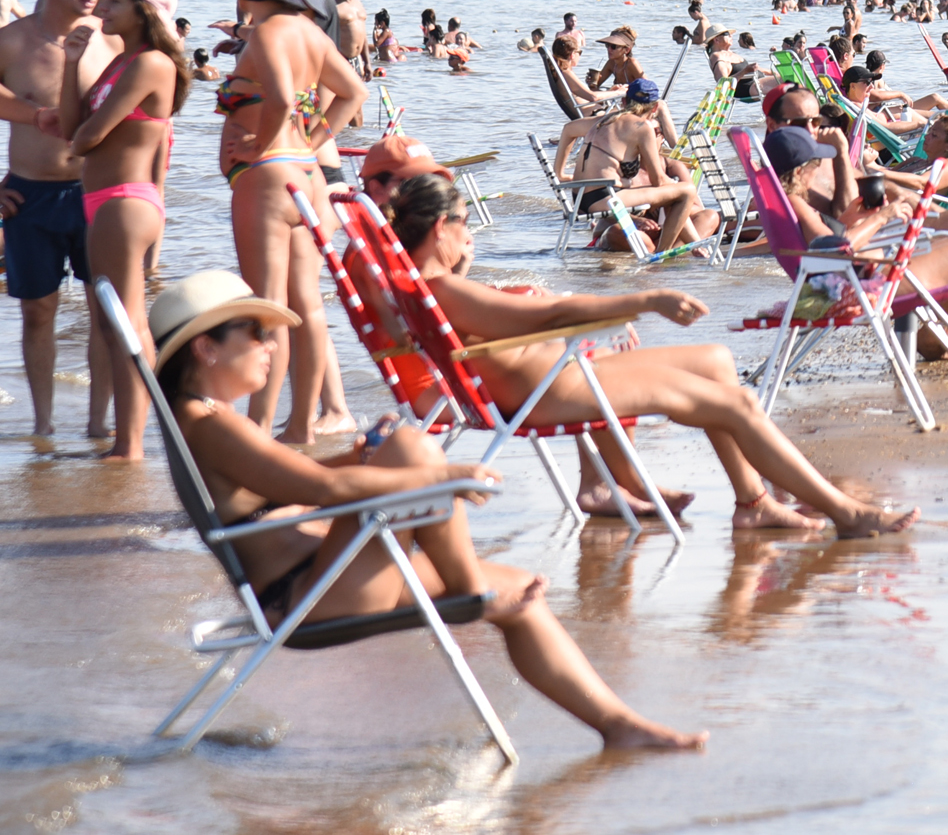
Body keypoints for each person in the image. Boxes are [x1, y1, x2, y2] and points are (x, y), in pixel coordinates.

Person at [148, 269, 704, 750]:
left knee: (521, 597)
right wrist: (441, 474)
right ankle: (468, 589)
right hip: (309, 596)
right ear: (206, 346)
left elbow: (289, 486)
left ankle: (619, 725)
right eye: (257, 334)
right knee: (414, 450)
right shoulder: (211, 424)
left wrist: (361, 456)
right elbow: (324, 490)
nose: (271, 345)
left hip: (324, 574)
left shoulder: (201, 418)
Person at [391, 171, 923, 532]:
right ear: (441, 227)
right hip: (554, 389)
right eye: (463, 223)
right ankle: (846, 513)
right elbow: (549, 317)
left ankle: (754, 503)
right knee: (735, 405)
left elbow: (509, 322)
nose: (470, 232)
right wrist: (649, 299)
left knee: (714, 361)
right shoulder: (444, 290)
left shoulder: (432, 284)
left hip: (552, 376)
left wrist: (460, 263)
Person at [214, 0, 367, 443]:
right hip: (306, 174)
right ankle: (300, 426)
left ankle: (258, 428)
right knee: (308, 306)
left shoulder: (266, 35)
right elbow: (353, 92)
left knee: (269, 307)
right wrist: (313, 140)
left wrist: (261, 145)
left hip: (268, 180)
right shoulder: (309, 32)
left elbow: (279, 96)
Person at [761, 125, 948, 373]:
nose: (818, 170)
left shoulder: (784, 201)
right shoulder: (795, 203)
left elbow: (831, 245)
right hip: (868, 284)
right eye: (815, 164)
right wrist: (882, 218)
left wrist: (863, 217)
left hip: (863, 275)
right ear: (800, 171)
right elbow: (837, 249)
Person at [50, 0, 186, 459]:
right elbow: (71, 127)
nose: (102, 7)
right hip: (105, 202)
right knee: (112, 323)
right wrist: (71, 61)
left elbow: (87, 137)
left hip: (126, 199)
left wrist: (85, 129)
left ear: (144, 11)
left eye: (115, 1)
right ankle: (125, 438)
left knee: (127, 323)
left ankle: (131, 444)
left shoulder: (152, 64)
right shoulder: (118, 62)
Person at [0, 0, 117, 440]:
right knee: (37, 311)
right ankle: (43, 426)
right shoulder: (12, 41)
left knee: (105, 313)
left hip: (96, 193)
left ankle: (98, 425)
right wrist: (33, 115)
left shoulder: (110, 40)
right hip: (30, 194)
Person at [557, 78, 711, 251]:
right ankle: (662, 254)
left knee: (675, 192)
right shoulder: (642, 127)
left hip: (580, 199)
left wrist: (560, 174)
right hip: (606, 199)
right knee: (686, 191)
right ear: (654, 108)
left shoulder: (604, 120)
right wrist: (677, 184)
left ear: (624, 101)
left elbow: (568, 129)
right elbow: (658, 180)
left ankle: (696, 246)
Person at [333, 0, 371, 79]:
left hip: (357, 60)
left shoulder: (358, 5)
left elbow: (363, 36)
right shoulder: (332, 5)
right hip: (339, 60)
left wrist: (367, 62)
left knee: (360, 95)